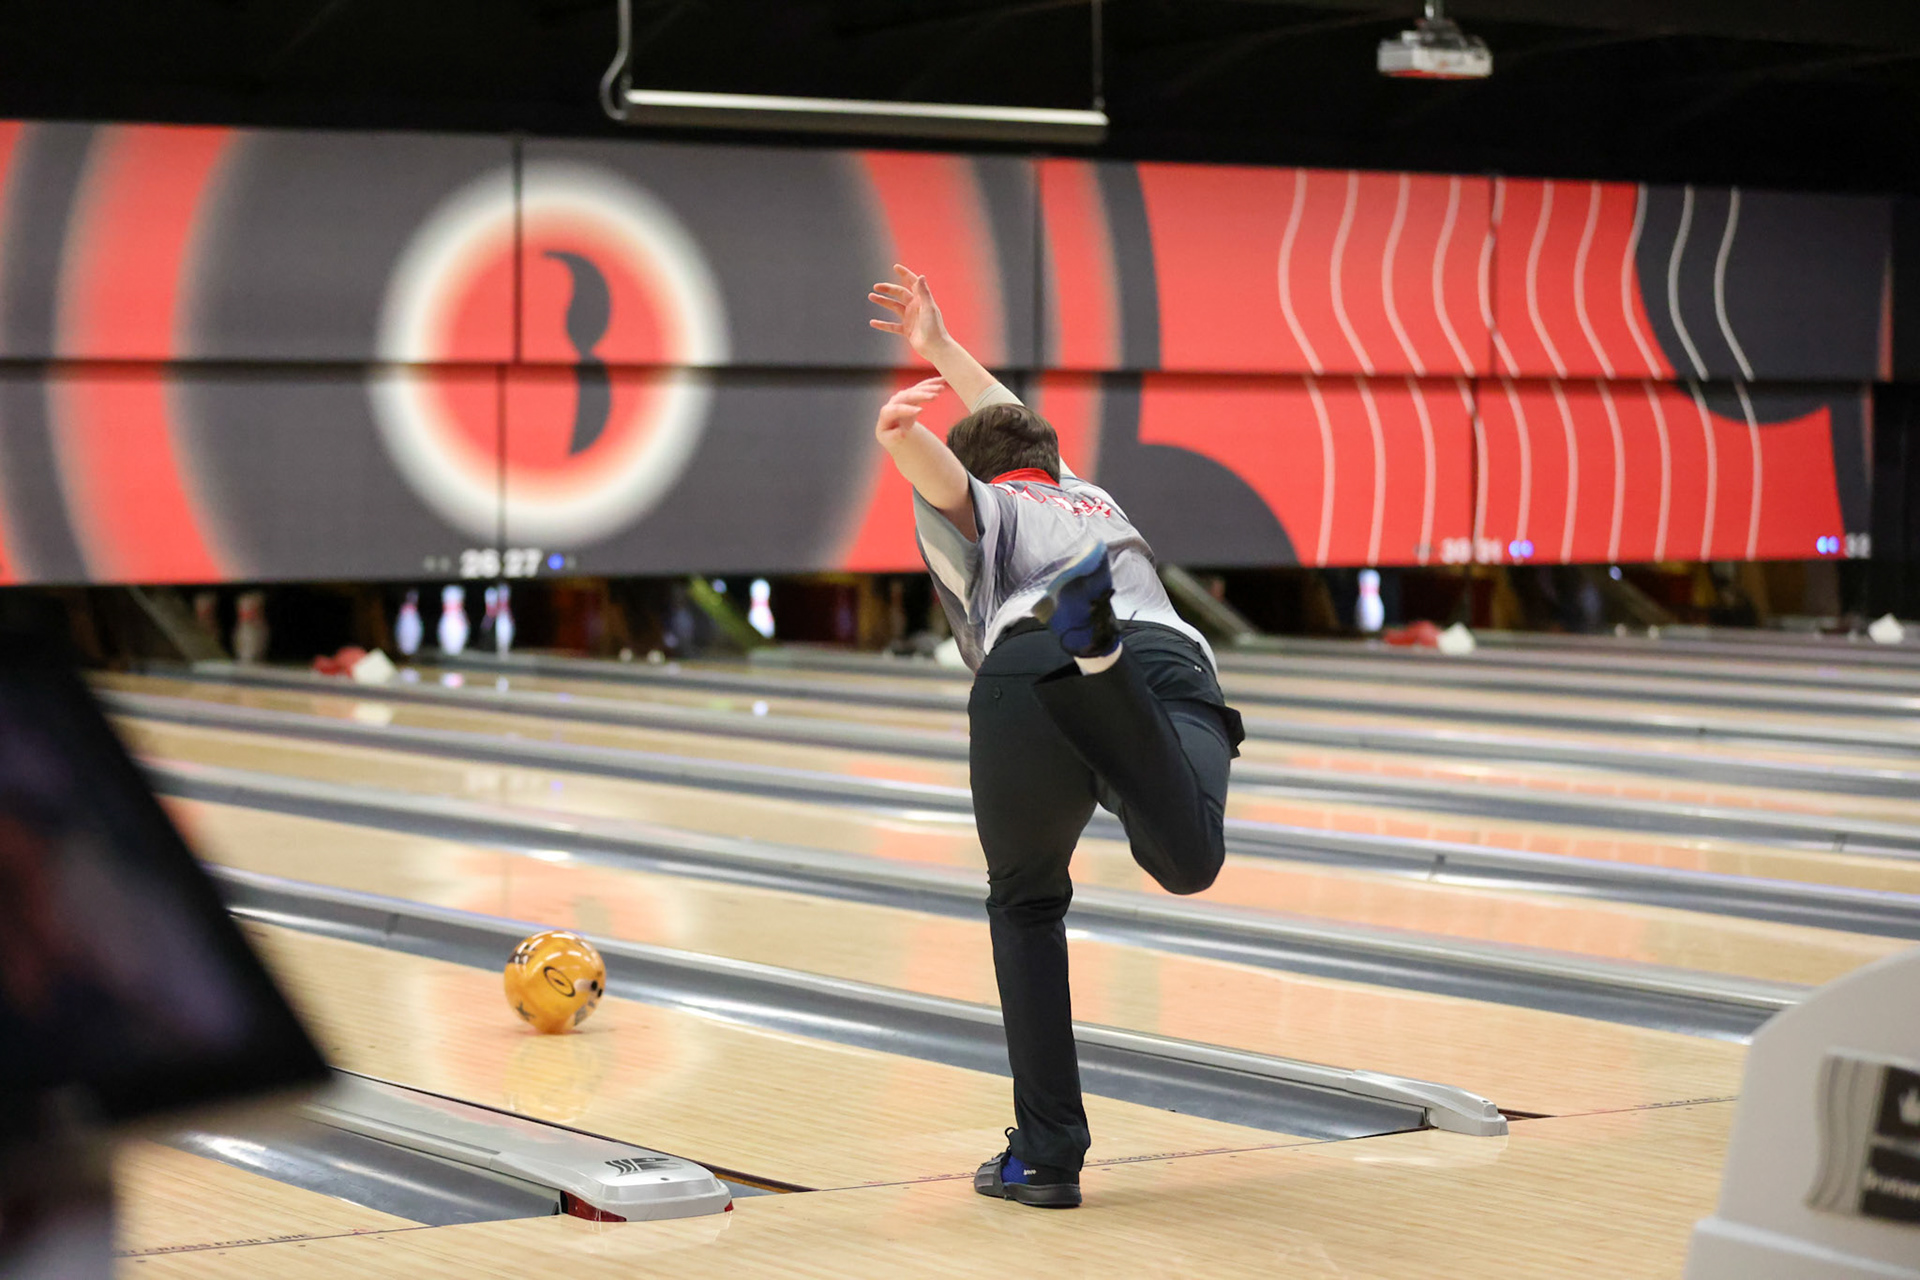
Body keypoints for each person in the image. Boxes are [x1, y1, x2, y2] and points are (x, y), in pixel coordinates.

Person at [868, 264, 1245, 1209]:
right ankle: (1104, 667)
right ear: (1048, 453)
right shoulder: (1088, 494)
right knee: (1188, 861)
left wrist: (900, 435)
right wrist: (943, 348)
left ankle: (1045, 1158)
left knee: (1026, 906)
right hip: (1168, 664)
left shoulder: (996, 507)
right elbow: (1011, 422)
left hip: (1021, 675)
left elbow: (956, 481)